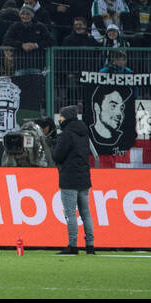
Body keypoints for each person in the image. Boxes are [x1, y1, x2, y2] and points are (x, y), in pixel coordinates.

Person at [52, 104, 96, 254]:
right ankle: (90, 245)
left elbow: (57, 156)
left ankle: (72, 245)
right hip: (84, 178)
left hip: (69, 178)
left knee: (70, 213)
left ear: (66, 118)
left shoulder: (67, 134)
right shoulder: (84, 132)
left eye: (61, 116)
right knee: (86, 213)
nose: (60, 119)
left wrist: (54, 146)